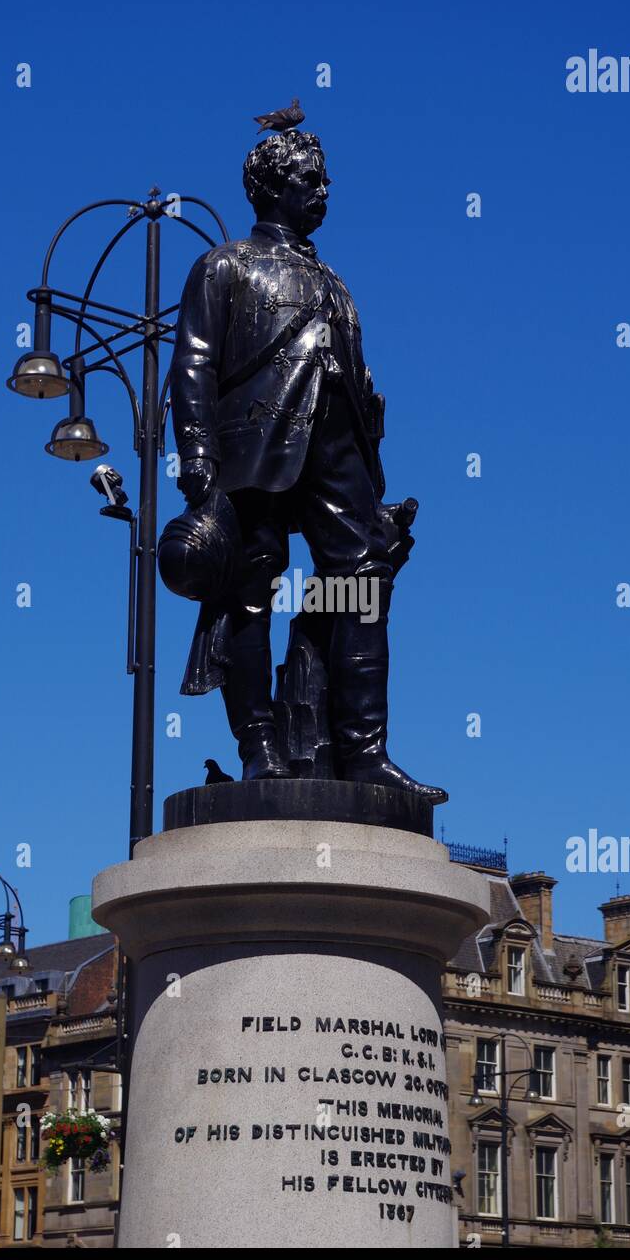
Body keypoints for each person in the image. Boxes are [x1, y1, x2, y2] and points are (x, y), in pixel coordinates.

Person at [168, 126, 445, 802]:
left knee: (361, 586)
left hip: (337, 448)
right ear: (270, 185)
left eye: (322, 177)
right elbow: (193, 362)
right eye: (309, 177)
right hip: (255, 446)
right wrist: (199, 453)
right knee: (250, 590)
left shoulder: (333, 281)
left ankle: (363, 752)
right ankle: (260, 744)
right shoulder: (225, 265)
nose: (323, 188)